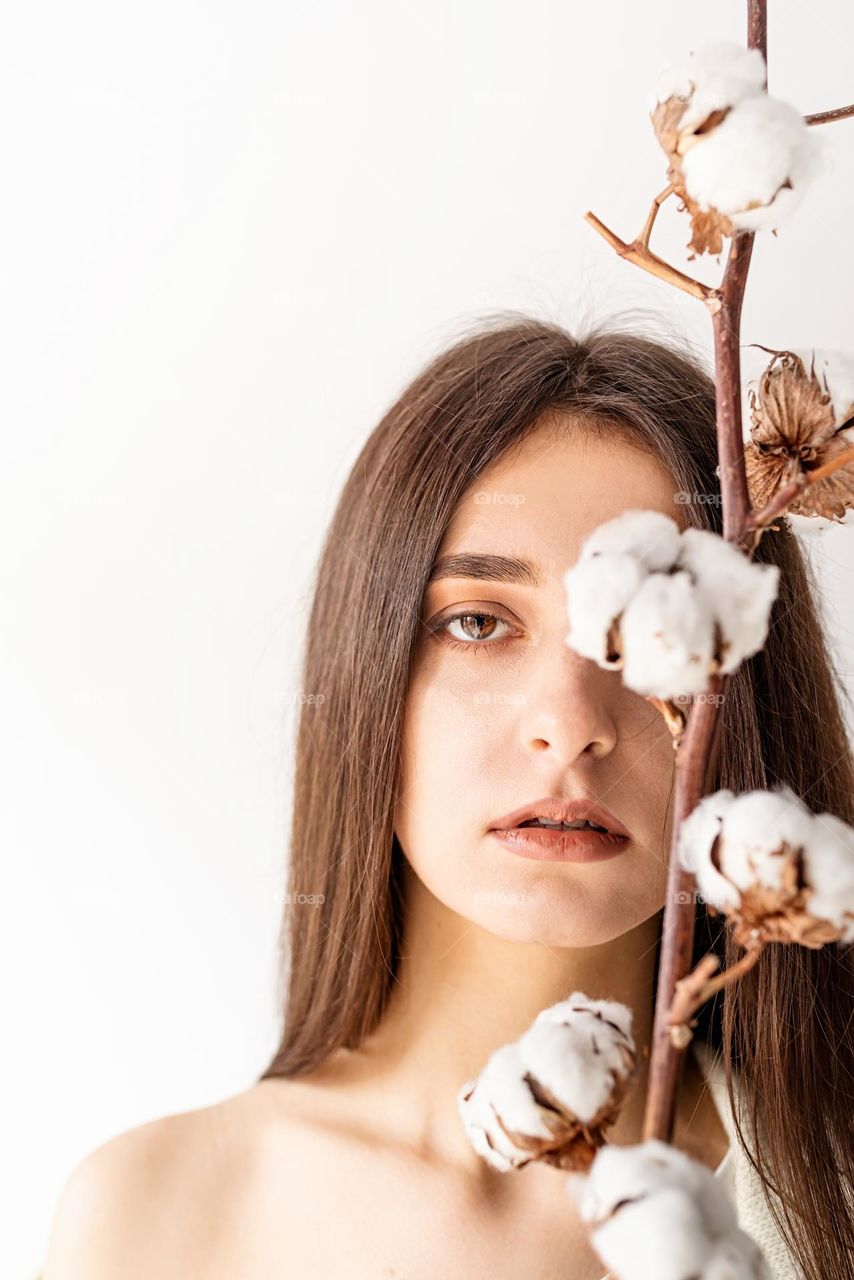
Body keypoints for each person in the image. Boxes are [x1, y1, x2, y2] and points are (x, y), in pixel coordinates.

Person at [42, 314, 854, 1279]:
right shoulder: (156, 1215)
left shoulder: (829, 1192)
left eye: (646, 630)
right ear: (368, 675)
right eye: (477, 621)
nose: (570, 720)